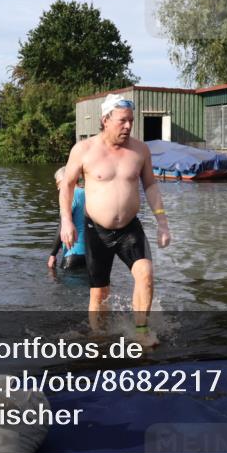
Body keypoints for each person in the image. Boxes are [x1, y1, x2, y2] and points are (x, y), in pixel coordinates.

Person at [60, 93, 171, 346]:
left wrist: (162, 222)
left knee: (145, 274)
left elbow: (151, 185)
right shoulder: (84, 150)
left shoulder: (139, 150)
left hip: (130, 228)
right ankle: (99, 340)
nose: (128, 126)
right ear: (105, 119)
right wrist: (66, 221)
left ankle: (141, 332)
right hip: (95, 230)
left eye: (131, 120)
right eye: (122, 121)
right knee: (99, 292)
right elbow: (66, 185)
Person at [49, 167, 86, 272]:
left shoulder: (70, 196)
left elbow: (62, 227)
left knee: (65, 286)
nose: (58, 188)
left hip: (74, 253)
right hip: (92, 254)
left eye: (58, 184)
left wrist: (53, 254)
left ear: (66, 181)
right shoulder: (89, 193)